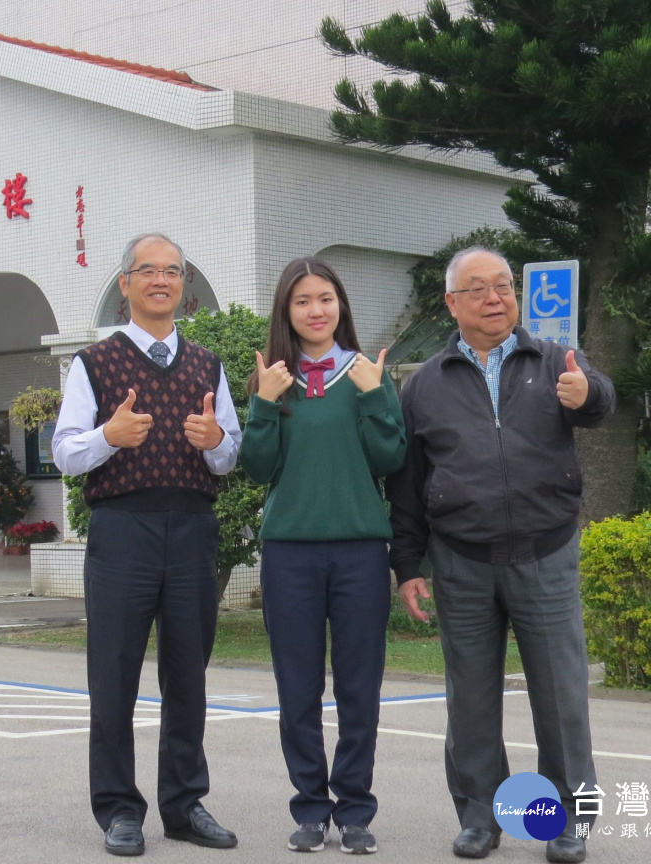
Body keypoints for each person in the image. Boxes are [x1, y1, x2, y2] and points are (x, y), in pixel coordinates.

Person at [386, 247, 614, 864]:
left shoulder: (554, 359)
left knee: (561, 697)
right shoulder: (425, 383)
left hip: (545, 553)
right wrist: (408, 565)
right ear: (452, 303)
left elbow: (602, 400)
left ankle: (567, 823)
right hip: (461, 560)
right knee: (472, 698)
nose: (495, 298)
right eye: (479, 289)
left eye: (504, 286)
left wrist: (585, 391)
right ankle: (479, 817)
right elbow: (407, 483)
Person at [53, 233, 242, 857]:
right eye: (148, 271)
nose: (161, 280)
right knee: (113, 676)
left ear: (183, 287)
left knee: (188, 674)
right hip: (122, 530)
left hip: (191, 530)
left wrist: (214, 437)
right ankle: (118, 811)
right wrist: (109, 434)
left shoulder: (208, 363)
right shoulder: (94, 363)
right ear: (126, 283)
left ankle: (185, 805)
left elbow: (228, 458)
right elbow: (64, 451)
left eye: (172, 272)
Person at [240, 257, 406, 855]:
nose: (317, 310)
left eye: (327, 298)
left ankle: (356, 811)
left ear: (341, 306)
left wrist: (371, 397)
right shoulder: (274, 379)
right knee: (298, 691)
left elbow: (389, 460)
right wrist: (262, 402)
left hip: (361, 552)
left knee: (360, 689)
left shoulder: (367, 374)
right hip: (290, 555)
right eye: (303, 300)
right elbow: (257, 468)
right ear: (287, 311)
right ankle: (310, 808)